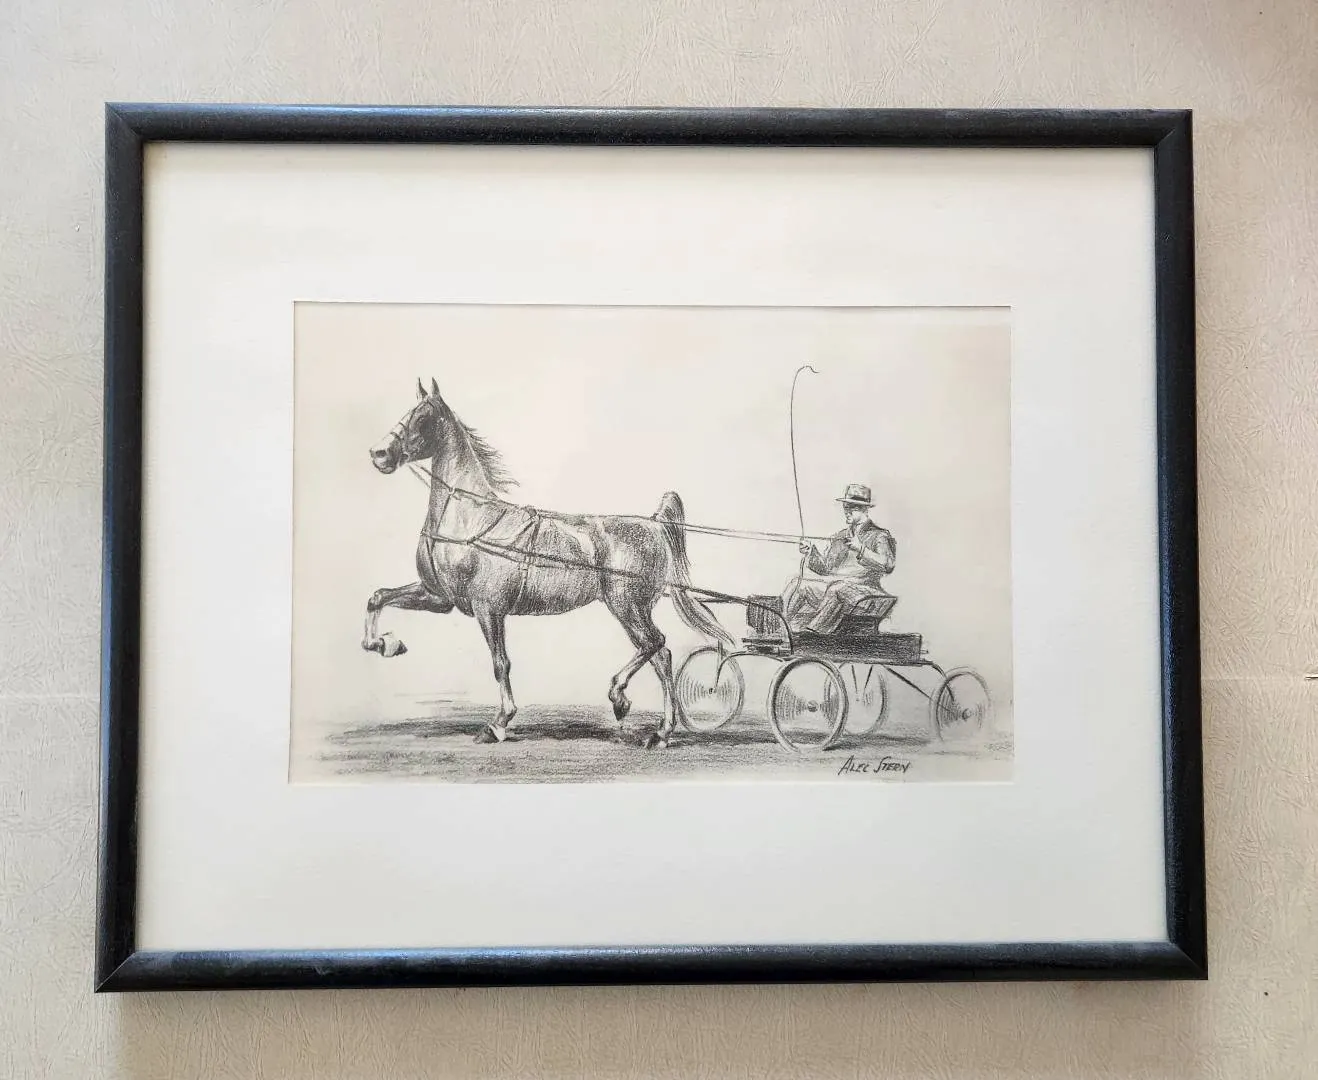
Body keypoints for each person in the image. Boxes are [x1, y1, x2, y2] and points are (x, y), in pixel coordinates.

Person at [782, 483, 896, 636]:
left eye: (852, 508)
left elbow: (888, 564)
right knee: (798, 583)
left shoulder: (879, 535)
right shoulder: (840, 536)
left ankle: (814, 635)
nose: (847, 511)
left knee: (837, 588)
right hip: (837, 589)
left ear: (864, 509)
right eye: (845, 507)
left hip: (864, 593)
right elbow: (826, 568)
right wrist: (811, 553)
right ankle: (780, 629)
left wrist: (860, 549)